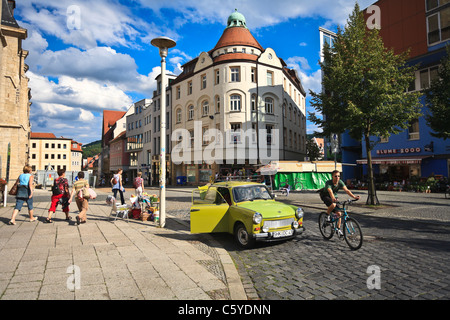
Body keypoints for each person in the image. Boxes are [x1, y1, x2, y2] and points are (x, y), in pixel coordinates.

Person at [320, 170, 360, 236]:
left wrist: (354, 197)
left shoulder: (340, 182)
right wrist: (333, 199)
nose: (337, 177)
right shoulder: (328, 183)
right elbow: (330, 191)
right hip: (326, 196)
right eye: (335, 176)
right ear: (332, 176)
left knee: (339, 213)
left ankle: (338, 229)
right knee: (333, 204)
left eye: (339, 176)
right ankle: (327, 216)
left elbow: (347, 190)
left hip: (334, 197)